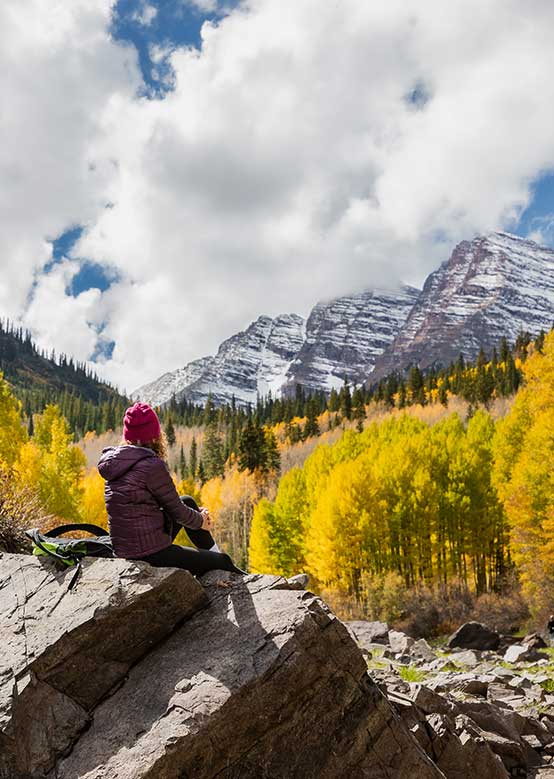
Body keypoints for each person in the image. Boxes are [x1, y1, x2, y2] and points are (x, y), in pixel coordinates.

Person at [98, 401, 245, 576]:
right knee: (223, 561)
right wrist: (201, 520)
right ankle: (225, 566)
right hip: (150, 554)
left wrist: (198, 518)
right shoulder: (151, 466)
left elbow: (169, 506)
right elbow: (178, 513)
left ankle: (214, 556)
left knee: (188, 501)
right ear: (155, 435)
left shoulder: (115, 464)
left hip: (125, 549)